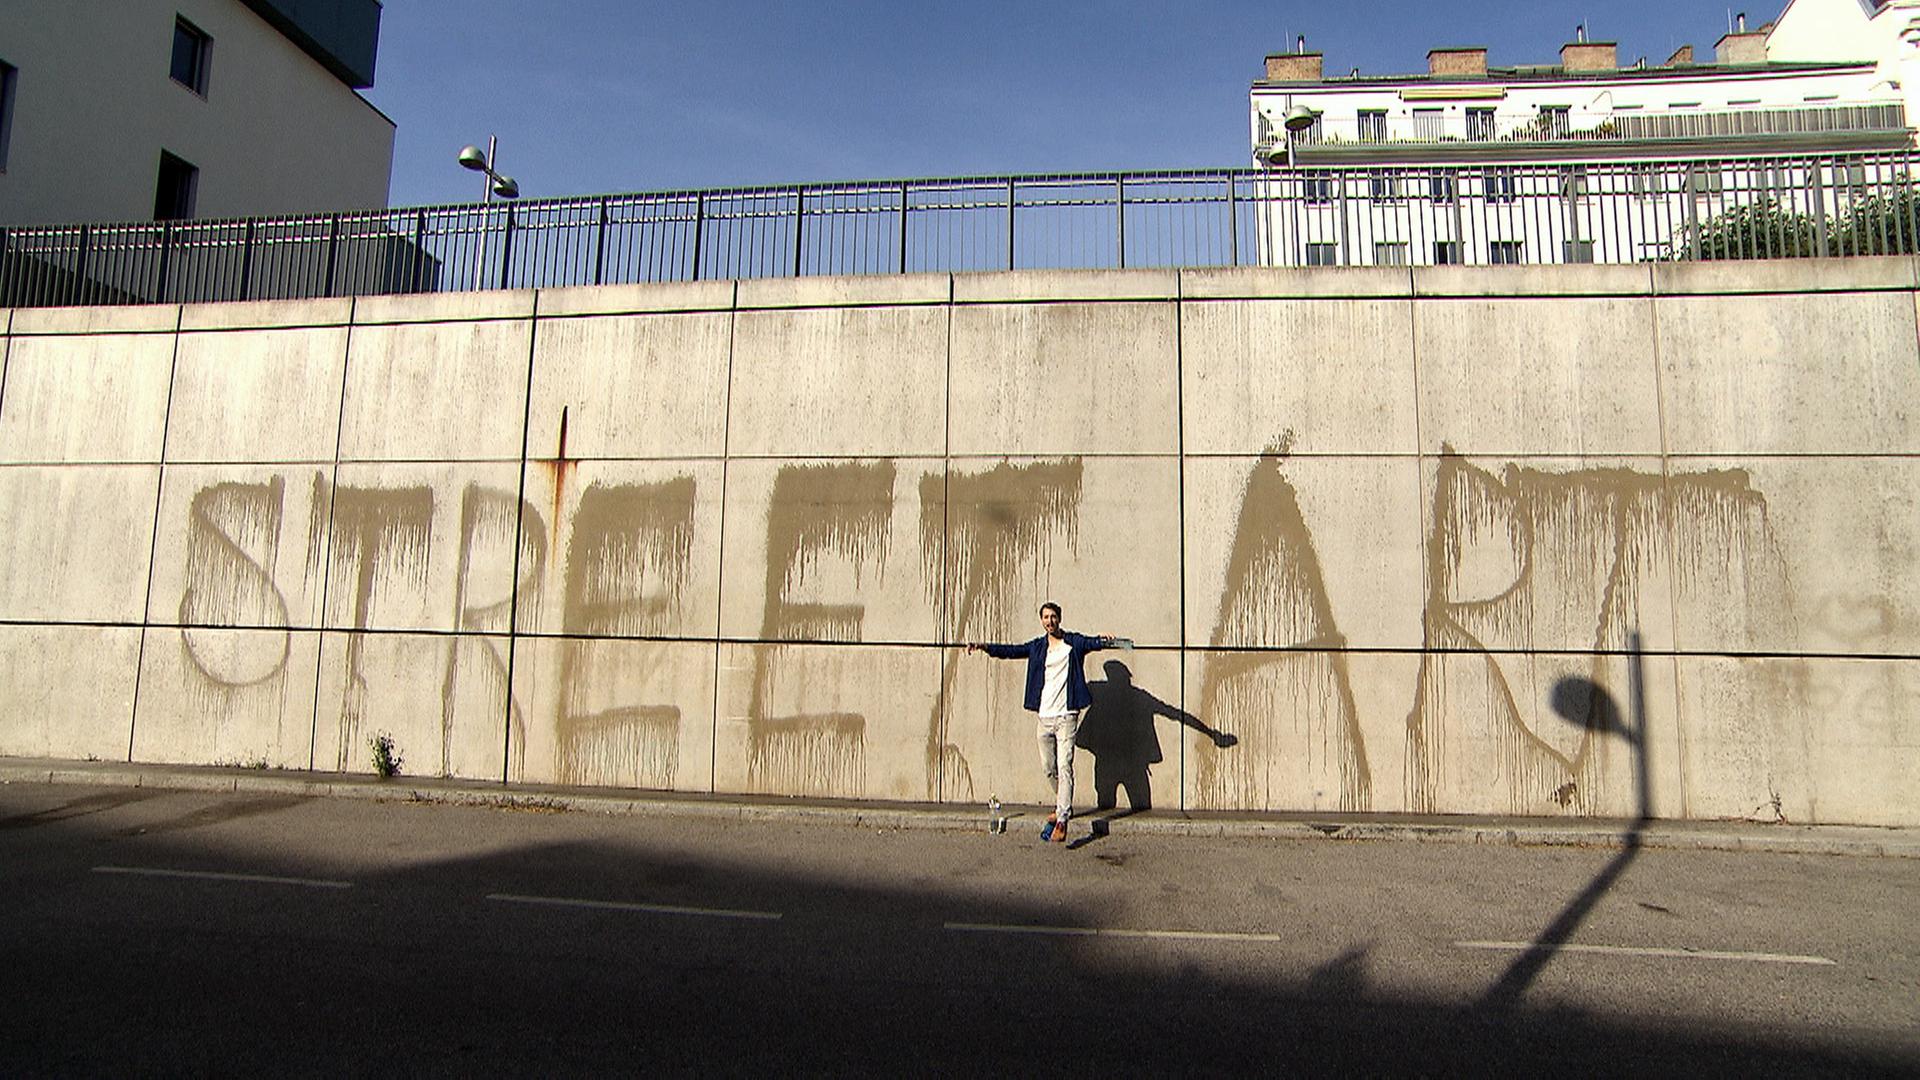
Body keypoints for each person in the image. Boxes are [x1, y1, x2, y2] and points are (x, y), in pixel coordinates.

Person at [966, 602, 1116, 844]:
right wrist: (985, 647)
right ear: (1041, 621)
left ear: (1059, 618)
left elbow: (1092, 642)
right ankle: (1062, 804)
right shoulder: (1037, 647)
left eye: (1053, 617)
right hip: (1044, 717)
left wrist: (1104, 639)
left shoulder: (1073, 644)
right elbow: (1011, 651)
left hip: (1067, 716)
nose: (1050, 621)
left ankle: (1062, 819)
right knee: (1049, 767)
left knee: (1065, 764)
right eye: (1046, 617)